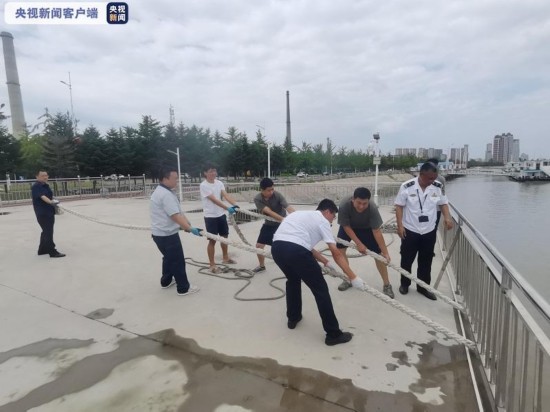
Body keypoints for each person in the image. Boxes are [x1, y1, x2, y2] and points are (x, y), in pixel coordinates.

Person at [271, 199, 366, 346]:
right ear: (327, 211)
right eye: (333, 217)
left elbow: (304, 244)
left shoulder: (299, 215)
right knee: (320, 290)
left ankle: (293, 318)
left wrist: (326, 262)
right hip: (296, 252)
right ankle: (333, 334)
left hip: (277, 249)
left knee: (293, 280)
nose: (332, 221)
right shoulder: (322, 220)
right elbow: (335, 252)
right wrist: (353, 277)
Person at [394, 162, 453, 300]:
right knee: (407, 259)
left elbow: (443, 203)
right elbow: (399, 206)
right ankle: (405, 284)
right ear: (421, 175)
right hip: (410, 229)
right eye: (430, 178)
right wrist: (400, 226)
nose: (432, 181)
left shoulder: (437, 187)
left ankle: (423, 288)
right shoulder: (407, 186)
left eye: (434, 178)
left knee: (426, 261)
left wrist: (447, 217)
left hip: (429, 230)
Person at [151, 166, 202, 296]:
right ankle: (183, 288)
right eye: (175, 178)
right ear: (165, 178)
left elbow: (178, 211)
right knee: (177, 261)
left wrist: (187, 224)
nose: (177, 181)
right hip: (167, 236)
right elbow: (175, 216)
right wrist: (189, 228)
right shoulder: (165, 194)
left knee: (168, 258)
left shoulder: (162, 191)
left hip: (159, 234)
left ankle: (166, 281)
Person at [336, 187, 394, 298]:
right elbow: (346, 226)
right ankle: (347, 278)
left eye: (364, 203)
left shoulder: (372, 207)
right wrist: (359, 244)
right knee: (340, 250)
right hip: (348, 227)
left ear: (368, 201)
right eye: (359, 203)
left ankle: (387, 284)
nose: (361, 206)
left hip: (366, 228)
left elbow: (376, 231)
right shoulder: (344, 205)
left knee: (378, 255)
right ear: (353, 199)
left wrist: (385, 253)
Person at [200, 163, 240, 273]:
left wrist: (235, 205)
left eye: (214, 171)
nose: (213, 173)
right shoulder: (204, 185)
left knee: (224, 237)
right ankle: (212, 264)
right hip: (210, 216)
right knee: (212, 240)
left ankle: (225, 258)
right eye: (210, 171)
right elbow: (214, 200)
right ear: (205, 173)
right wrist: (228, 208)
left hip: (220, 215)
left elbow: (225, 195)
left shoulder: (219, 183)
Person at [252, 177, 295, 273]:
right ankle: (262, 266)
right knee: (259, 246)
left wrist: (296, 217)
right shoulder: (257, 199)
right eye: (268, 190)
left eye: (272, 189)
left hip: (282, 225)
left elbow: (288, 207)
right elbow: (269, 212)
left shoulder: (277, 195)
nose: (271, 192)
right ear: (262, 190)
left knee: (288, 246)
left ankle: (293, 266)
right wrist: (283, 220)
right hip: (269, 224)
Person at [31, 171, 65, 258]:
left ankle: (42, 250)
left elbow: (49, 196)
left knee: (46, 231)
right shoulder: (36, 186)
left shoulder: (46, 185)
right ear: (37, 177)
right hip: (43, 213)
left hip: (49, 211)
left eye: (46, 175)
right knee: (48, 232)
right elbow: (42, 196)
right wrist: (51, 202)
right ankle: (52, 251)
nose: (45, 177)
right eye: (43, 176)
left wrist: (55, 200)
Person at [426, 157, 447, 228]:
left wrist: (446, 215)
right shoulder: (422, 177)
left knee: (434, 227)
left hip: (436, 208)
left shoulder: (441, 179)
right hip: (425, 207)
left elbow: (443, 194)